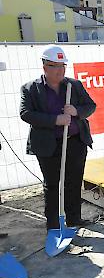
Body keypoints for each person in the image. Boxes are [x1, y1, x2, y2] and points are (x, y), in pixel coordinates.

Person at [19, 45, 96, 230]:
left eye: (63, 66)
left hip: (75, 143)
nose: (60, 70)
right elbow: (26, 113)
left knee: (74, 181)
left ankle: (74, 219)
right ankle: (53, 225)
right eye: (55, 66)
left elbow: (90, 105)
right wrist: (56, 120)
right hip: (48, 146)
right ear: (45, 67)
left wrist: (77, 111)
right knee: (52, 185)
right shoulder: (31, 89)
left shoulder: (74, 85)